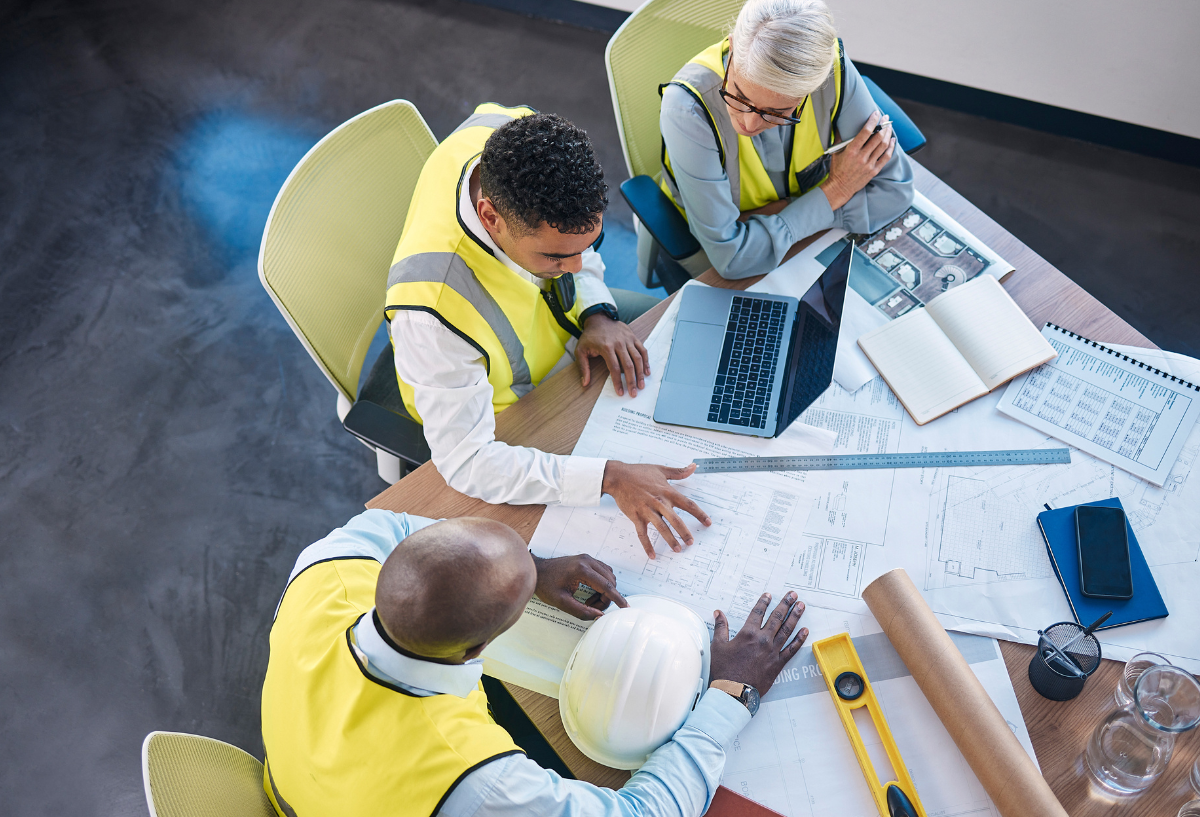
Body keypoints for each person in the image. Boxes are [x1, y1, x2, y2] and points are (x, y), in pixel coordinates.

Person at [261, 509, 810, 816]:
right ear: (477, 649)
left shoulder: (327, 566)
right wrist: (729, 696)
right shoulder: (475, 782)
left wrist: (532, 567)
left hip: (296, 776)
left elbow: (401, 531)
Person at [387, 105, 708, 557]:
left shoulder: (516, 133)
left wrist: (596, 310)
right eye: (556, 259)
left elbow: (579, 261)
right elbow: (468, 463)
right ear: (491, 216)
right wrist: (607, 477)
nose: (577, 267)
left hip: (568, 357)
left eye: (589, 245)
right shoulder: (432, 312)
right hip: (506, 414)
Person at [655, 0, 914, 282]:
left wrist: (773, 219)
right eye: (740, 95)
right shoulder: (685, 110)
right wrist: (836, 189)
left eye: (778, 112)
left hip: (797, 249)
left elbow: (894, 192)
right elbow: (732, 260)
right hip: (718, 268)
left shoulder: (827, 69)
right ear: (731, 47)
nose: (749, 123)